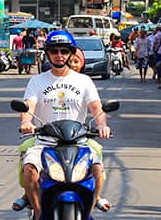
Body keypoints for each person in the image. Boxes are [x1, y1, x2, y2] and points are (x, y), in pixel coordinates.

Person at [18, 31, 112, 219]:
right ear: (48, 53)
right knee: (29, 168)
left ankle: (91, 206)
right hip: (45, 142)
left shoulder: (84, 81)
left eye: (63, 51)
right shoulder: (37, 81)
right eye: (54, 51)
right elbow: (28, 106)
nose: (59, 55)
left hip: (78, 142)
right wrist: (26, 122)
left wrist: (102, 125)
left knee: (97, 169)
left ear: (71, 53)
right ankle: (38, 212)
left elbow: (96, 108)